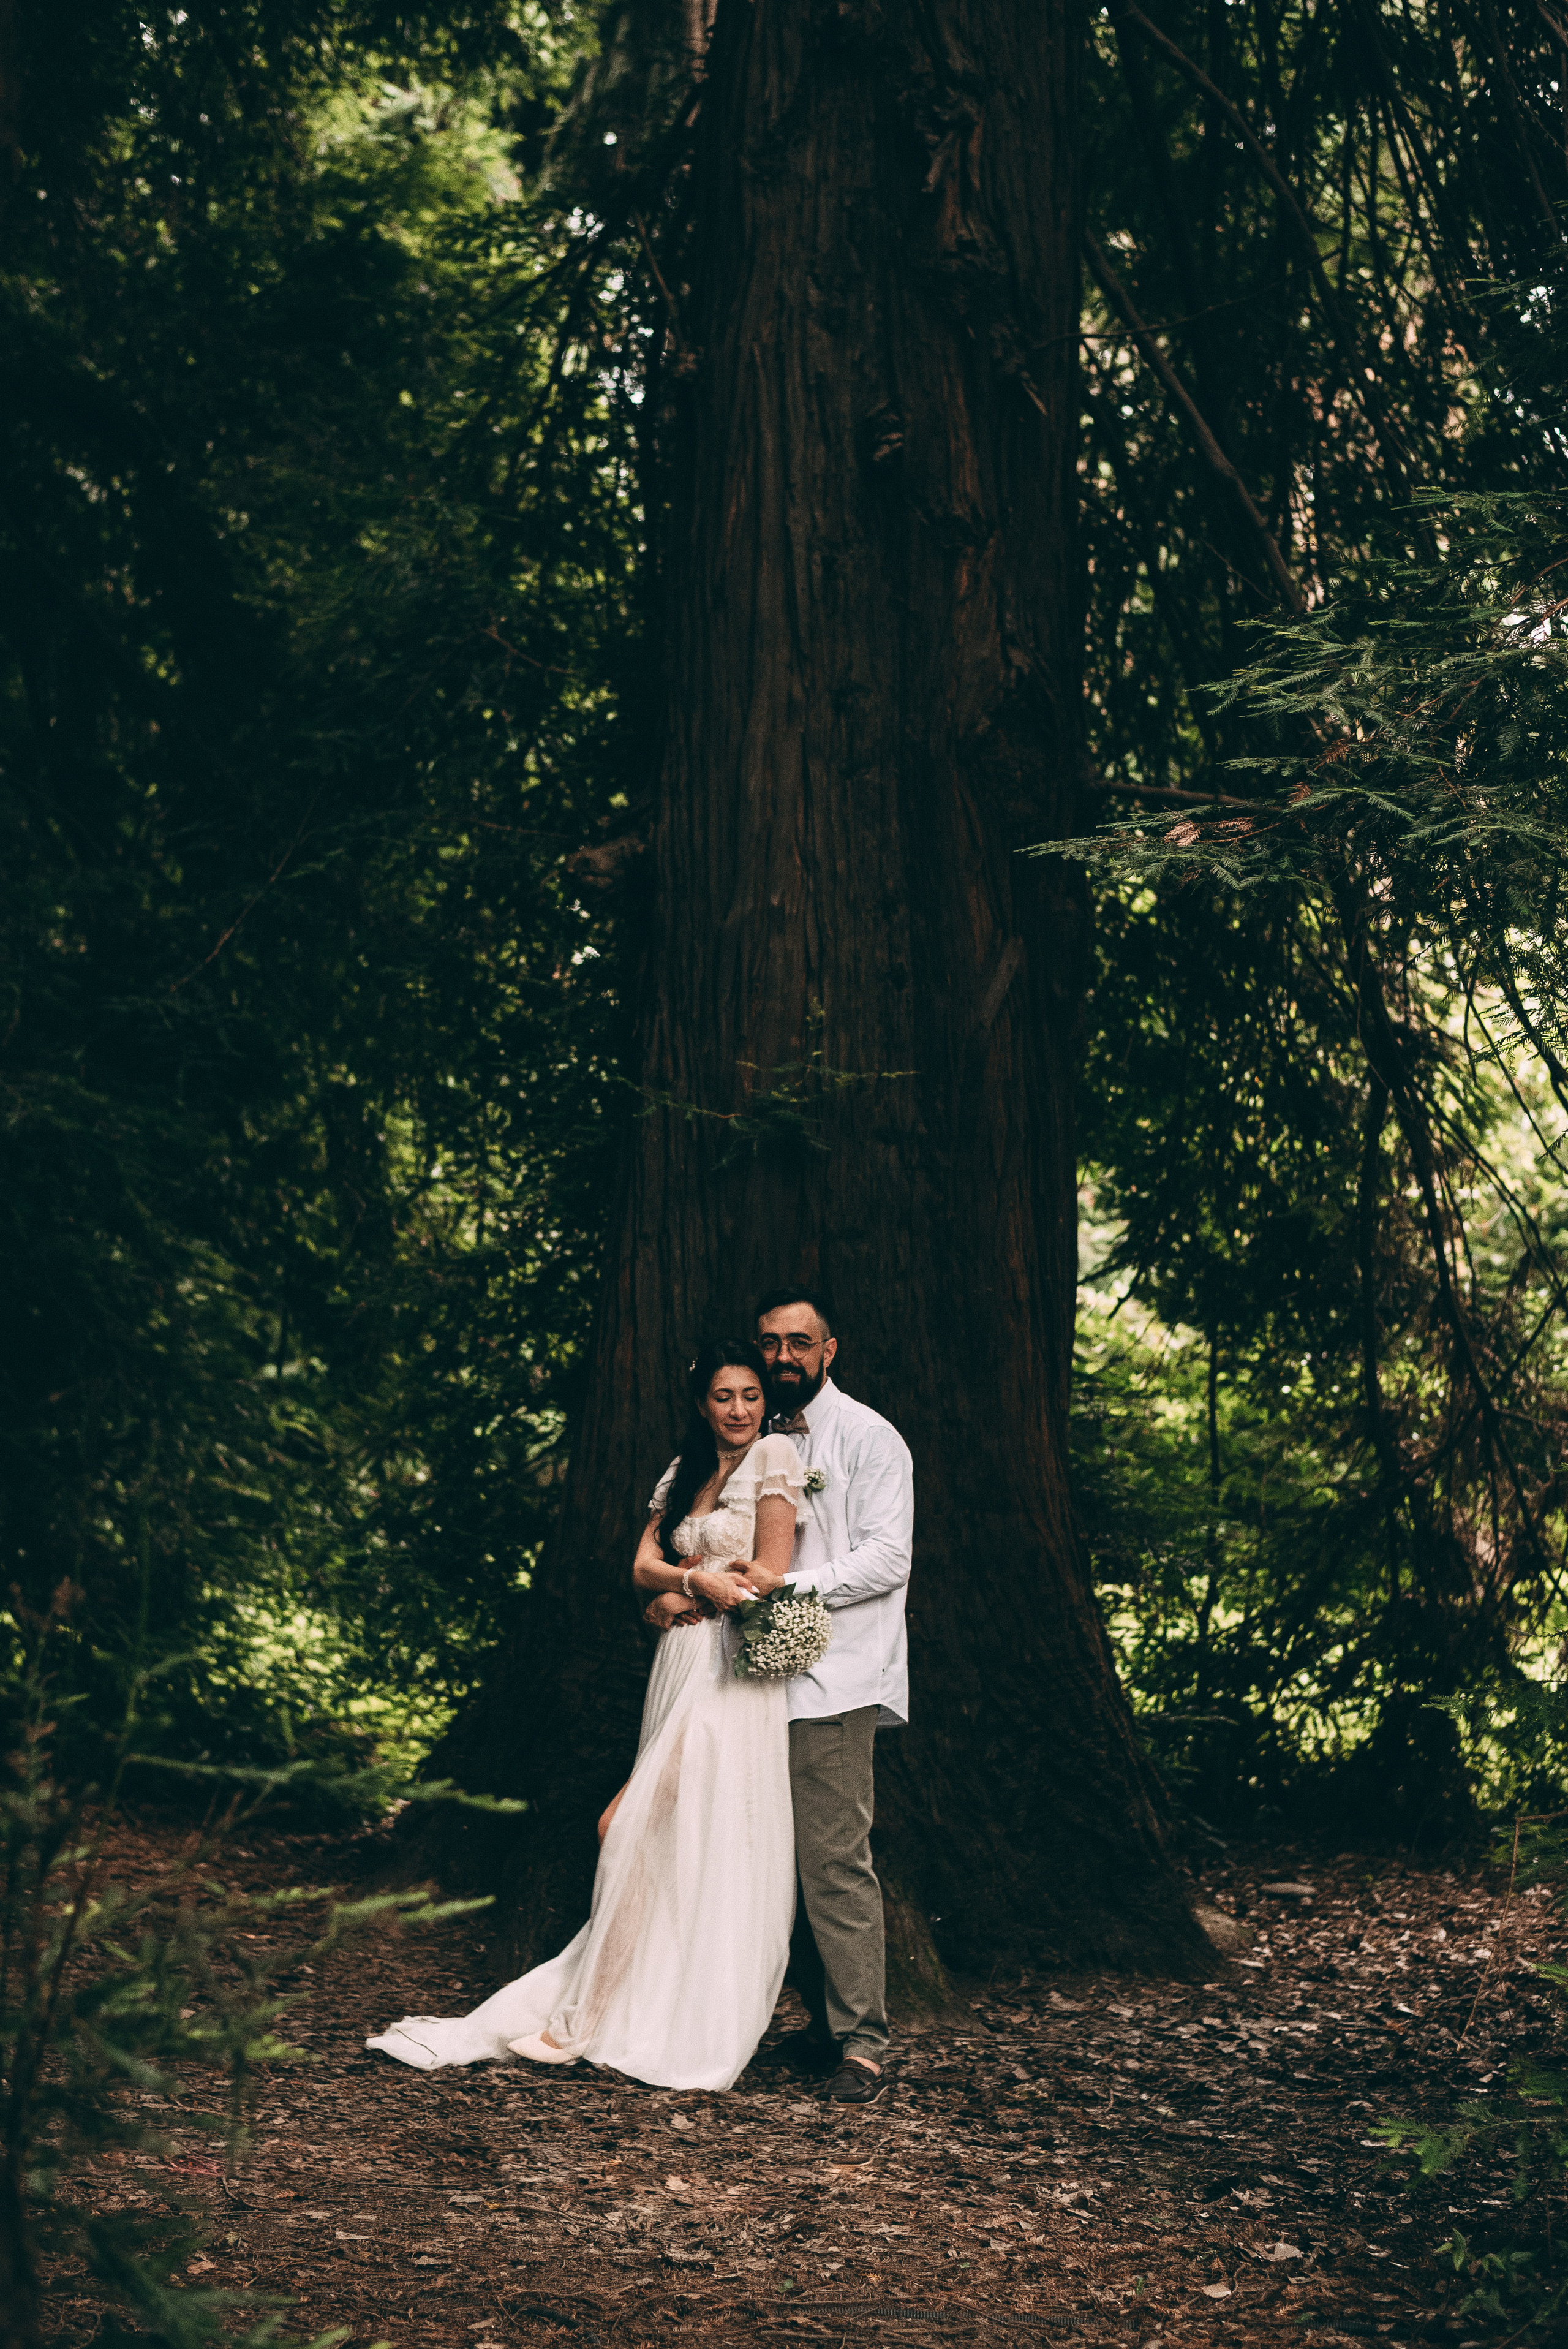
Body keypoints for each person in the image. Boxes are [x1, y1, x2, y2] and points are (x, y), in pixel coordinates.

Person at [365, 1339, 808, 2093]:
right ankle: (630, 2001)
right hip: (676, 1664)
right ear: (701, 1403)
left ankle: (587, 2019)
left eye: (750, 1396)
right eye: (723, 1397)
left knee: (627, 1825)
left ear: (766, 1403)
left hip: (728, 1672)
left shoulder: (776, 1460)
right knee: (668, 1836)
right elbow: (640, 1567)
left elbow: (769, 1573)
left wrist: (685, 1590)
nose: (738, 1410)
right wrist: (688, 1581)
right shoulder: (686, 1471)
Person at [745, 1285, 914, 2106]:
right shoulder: (749, 1435)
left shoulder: (870, 1438)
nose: (783, 1357)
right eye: (772, 1343)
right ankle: (819, 2022)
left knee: (835, 1861)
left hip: (835, 1680)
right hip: (752, 1684)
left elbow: (888, 1559)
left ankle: (865, 2043)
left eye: (799, 1343)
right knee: (778, 1860)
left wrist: (787, 1586)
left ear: (829, 1349)